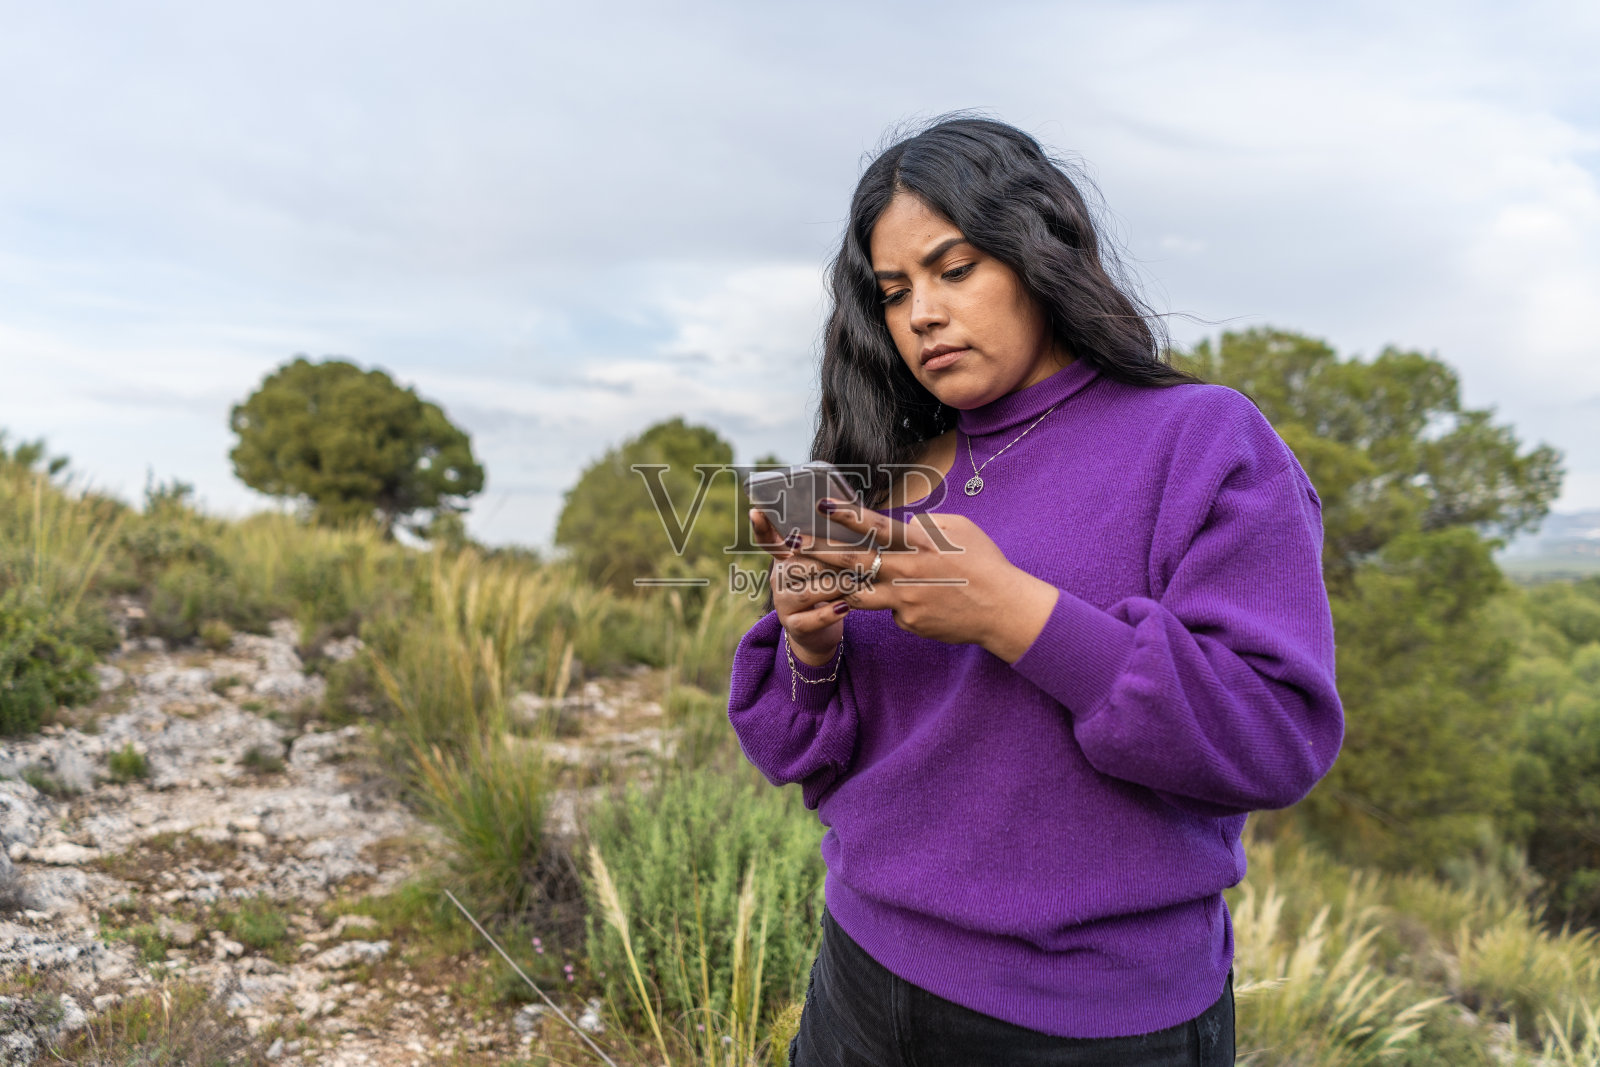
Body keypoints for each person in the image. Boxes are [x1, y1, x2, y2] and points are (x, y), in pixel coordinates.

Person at [726, 116, 1343, 1066]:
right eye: (895, 292)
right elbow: (815, 757)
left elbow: (1274, 735)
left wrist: (1016, 615)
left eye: (955, 268)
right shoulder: (894, 470)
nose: (922, 312)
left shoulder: (1202, 440)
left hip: (1091, 1024)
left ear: (1037, 252)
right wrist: (811, 651)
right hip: (860, 975)